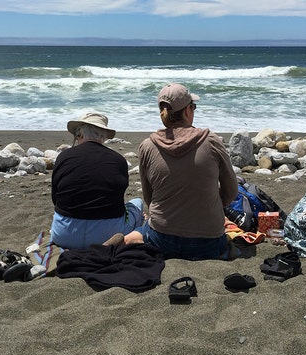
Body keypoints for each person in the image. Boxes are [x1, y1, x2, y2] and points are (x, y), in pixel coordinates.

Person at [123, 83, 238, 260]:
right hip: (209, 243)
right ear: (187, 111)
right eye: (193, 107)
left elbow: (149, 198)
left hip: (162, 240)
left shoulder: (147, 146)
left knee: (143, 227)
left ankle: (130, 238)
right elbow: (231, 192)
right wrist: (207, 206)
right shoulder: (211, 141)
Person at [49, 112, 144, 250]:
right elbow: (118, 199)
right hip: (107, 235)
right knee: (137, 203)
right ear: (103, 136)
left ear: (80, 135)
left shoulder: (63, 157)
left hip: (65, 235)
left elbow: (55, 199)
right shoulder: (118, 160)